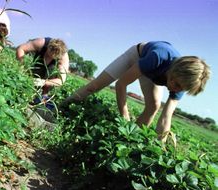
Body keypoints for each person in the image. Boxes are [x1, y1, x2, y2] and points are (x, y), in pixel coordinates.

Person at [62, 41, 211, 139]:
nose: (175, 89)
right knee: (94, 86)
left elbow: (166, 117)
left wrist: (161, 142)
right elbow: (121, 85)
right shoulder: (158, 56)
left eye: (182, 88)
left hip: (154, 72)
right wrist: (124, 116)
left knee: (154, 106)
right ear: (175, 70)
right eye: (176, 84)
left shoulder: (185, 82)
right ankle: (62, 105)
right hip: (137, 56)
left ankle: (130, 137)